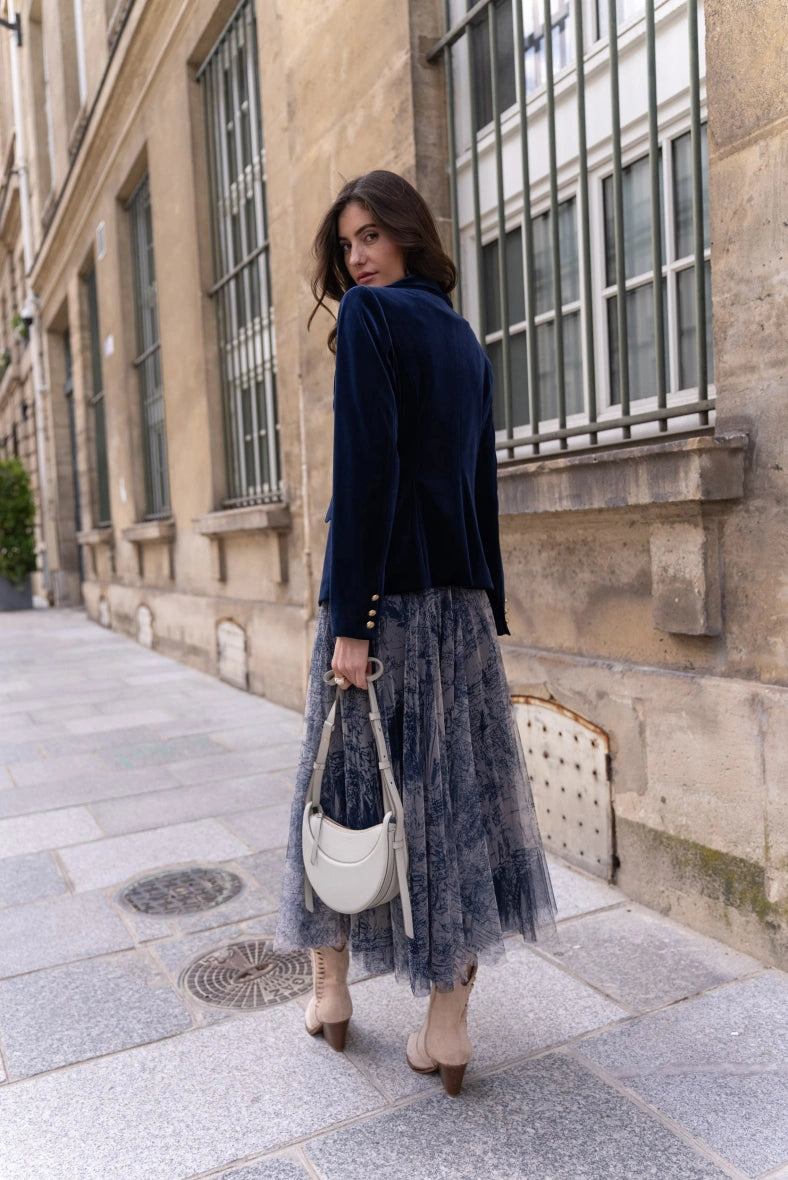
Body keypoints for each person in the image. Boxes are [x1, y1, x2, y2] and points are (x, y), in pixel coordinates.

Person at [276, 170, 555, 1097]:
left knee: (343, 790)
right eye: (346, 244)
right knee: (447, 807)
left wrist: (351, 624)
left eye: (369, 237)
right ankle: (448, 1024)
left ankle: (331, 993)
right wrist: (488, 602)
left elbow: (364, 477)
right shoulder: (465, 339)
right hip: (460, 611)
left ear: (406, 234)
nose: (356, 258)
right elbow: (482, 488)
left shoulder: (370, 320)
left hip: (382, 608)